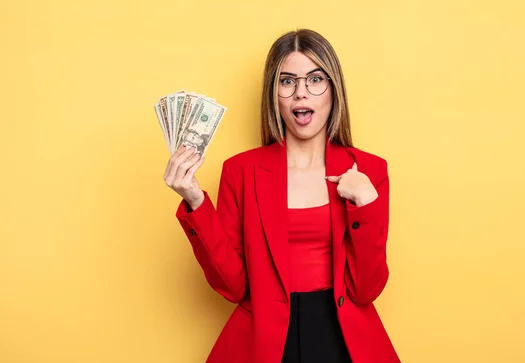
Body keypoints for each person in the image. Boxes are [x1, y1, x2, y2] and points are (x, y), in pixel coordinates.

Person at [163, 28, 401, 363]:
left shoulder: (368, 171)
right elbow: (232, 286)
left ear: (333, 90)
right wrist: (197, 203)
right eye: (287, 81)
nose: (301, 93)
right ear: (273, 95)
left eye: (315, 80)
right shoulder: (241, 171)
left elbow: (366, 289)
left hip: (342, 339)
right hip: (267, 342)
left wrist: (366, 204)